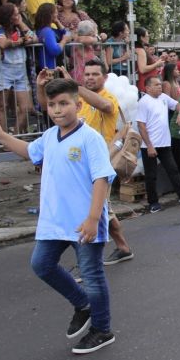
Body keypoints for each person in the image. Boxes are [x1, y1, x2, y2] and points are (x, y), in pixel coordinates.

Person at [0, 78, 117, 354]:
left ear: (78, 105)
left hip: (84, 221)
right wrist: (0, 135)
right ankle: (83, 304)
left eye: (63, 104)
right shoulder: (49, 136)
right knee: (42, 265)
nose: (57, 110)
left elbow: (102, 178)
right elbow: (28, 152)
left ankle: (102, 329)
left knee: (92, 275)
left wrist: (93, 218)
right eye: (52, 105)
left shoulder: (89, 138)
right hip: (54, 222)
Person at [37, 58, 134, 266]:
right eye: (87, 74)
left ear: (105, 78)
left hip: (100, 163)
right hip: (79, 164)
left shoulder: (108, 97)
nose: (90, 78)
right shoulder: (77, 99)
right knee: (105, 209)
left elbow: (103, 105)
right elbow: (51, 108)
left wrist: (74, 86)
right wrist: (42, 88)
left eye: (95, 74)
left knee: (97, 210)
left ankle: (89, 264)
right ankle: (122, 247)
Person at [135, 76, 180, 212]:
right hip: (149, 145)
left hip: (164, 143)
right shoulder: (144, 102)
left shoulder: (163, 97)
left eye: (160, 84)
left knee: (173, 170)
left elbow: (178, 104)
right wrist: (149, 145)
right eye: (156, 85)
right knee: (151, 175)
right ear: (147, 88)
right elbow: (141, 125)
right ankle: (153, 203)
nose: (159, 87)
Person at [0, 3, 33, 133]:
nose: (17, 16)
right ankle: (4, 139)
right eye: (15, 14)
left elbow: (33, 37)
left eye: (18, 13)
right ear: (7, 16)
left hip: (20, 70)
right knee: (2, 106)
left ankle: (16, 134)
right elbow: (2, 43)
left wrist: (20, 23)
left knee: (25, 107)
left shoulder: (19, 28)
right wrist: (19, 41)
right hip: (3, 69)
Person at [34, 3, 71, 72]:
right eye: (55, 13)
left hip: (54, 66)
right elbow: (54, 50)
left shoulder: (47, 29)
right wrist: (64, 41)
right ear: (50, 15)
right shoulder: (46, 31)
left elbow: (67, 34)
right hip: (51, 68)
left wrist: (57, 22)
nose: (57, 15)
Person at [134, 27, 167, 92]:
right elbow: (142, 69)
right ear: (141, 38)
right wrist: (157, 64)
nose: (148, 37)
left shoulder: (139, 49)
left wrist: (159, 60)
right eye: (147, 36)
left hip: (148, 83)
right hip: (146, 83)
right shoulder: (140, 50)